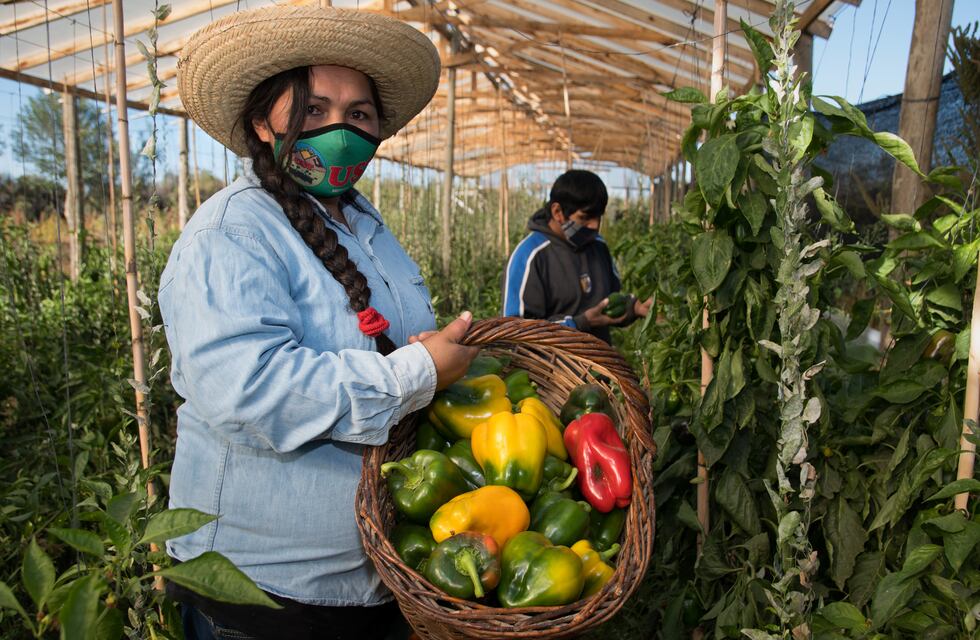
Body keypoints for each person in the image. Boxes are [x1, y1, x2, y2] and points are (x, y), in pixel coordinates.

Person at [158, 6, 477, 639]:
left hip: (373, 582)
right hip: (265, 597)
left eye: (358, 114)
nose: (339, 130)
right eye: (313, 109)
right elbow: (247, 390)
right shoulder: (234, 231)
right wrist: (415, 371)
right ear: (260, 120)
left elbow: (386, 343)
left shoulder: (368, 228)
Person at [502, 169, 653, 344]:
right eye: (585, 217)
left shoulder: (598, 246)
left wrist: (633, 308)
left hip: (601, 365)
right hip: (551, 368)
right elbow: (515, 331)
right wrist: (580, 323)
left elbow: (609, 305)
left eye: (599, 217)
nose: (595, 226)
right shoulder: (530, 256)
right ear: (558, 212)